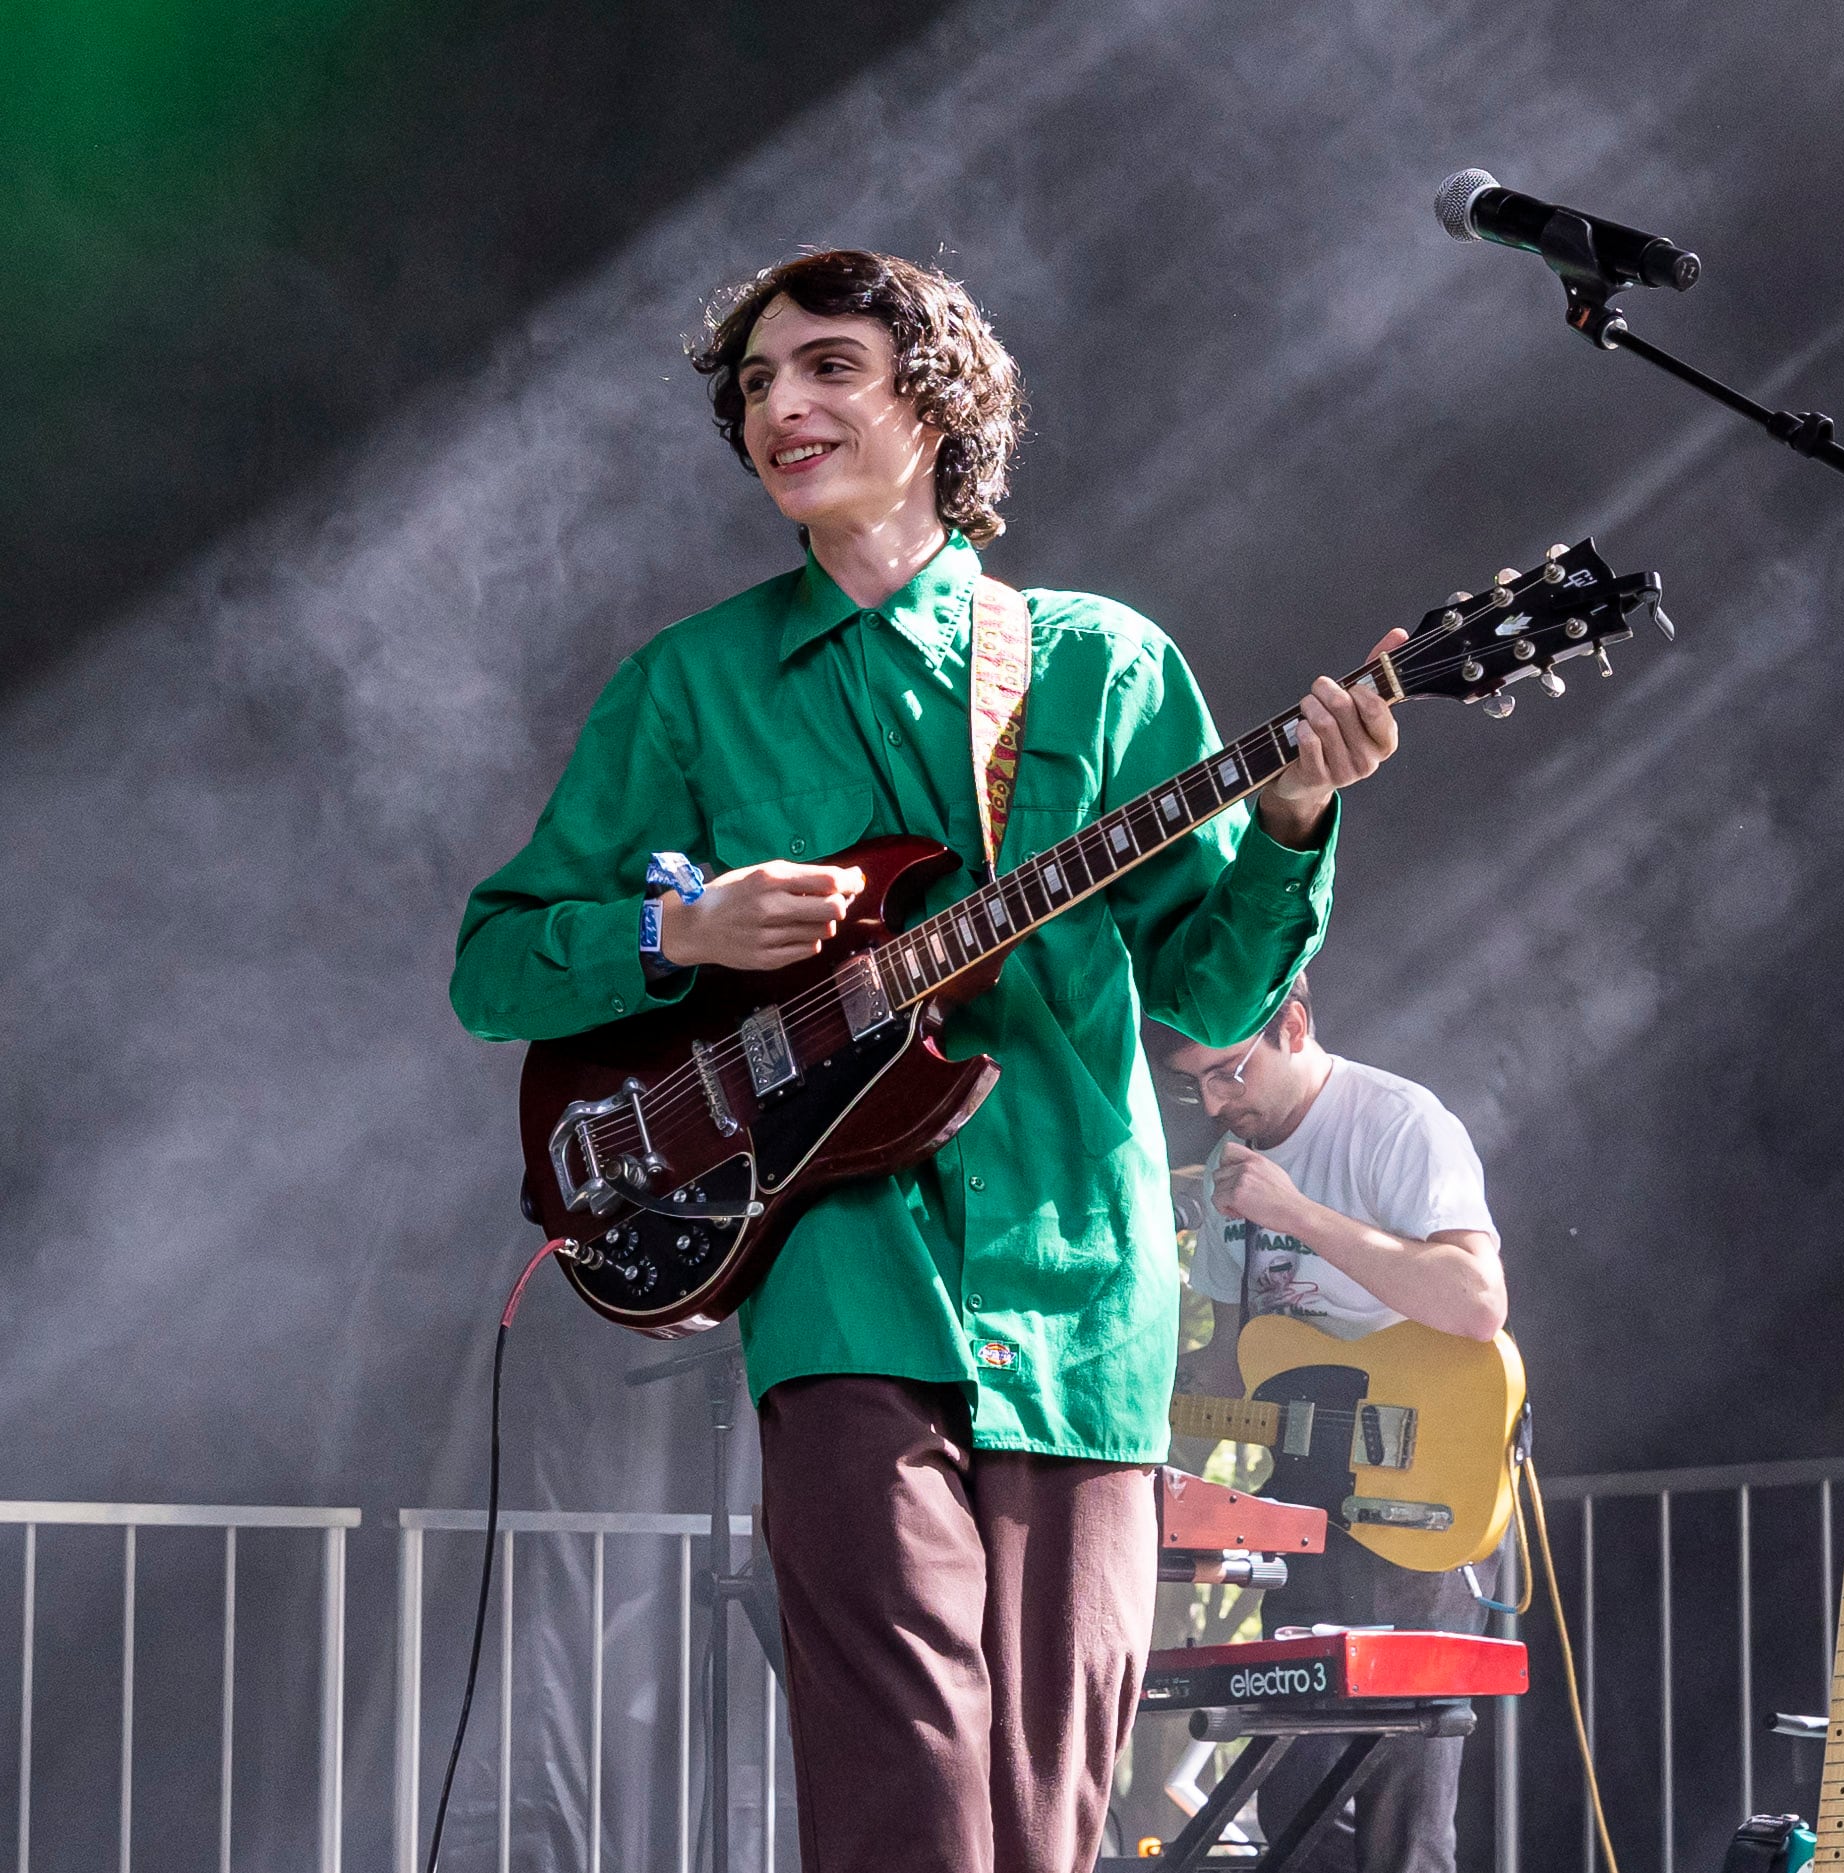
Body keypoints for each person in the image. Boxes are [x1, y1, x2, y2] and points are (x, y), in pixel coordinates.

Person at [449, 248, 1406, 1873]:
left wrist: (1296, 819)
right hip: (844, 1290)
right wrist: (678, 932)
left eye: (826, 366)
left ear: (936, 405)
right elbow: (493, 966)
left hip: (1083, 1292)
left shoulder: (1100, 663)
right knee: (907, 1785)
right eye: (757, 382)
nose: (781, 405)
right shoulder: (689, 687)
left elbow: (1207, 995)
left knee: (1045, 1808)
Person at [1164, 976, 1506, 1873]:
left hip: (1416, 1483)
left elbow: (1477, 1301)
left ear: (1293, 1024)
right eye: (1193, 1085)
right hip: (1305, 1500)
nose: (1214, 1103)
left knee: (1402, 1807)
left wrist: (1294, 1214)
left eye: (1228, 1072)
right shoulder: (1227, 1164)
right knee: (1296, 1797)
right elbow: (1231, 1364)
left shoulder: (1395, 1122)